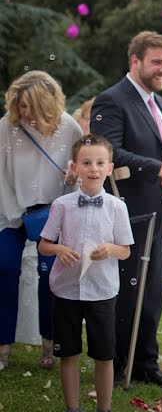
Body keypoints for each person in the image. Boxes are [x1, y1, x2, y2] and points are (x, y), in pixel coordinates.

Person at [90, 30, 162, 386]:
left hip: (158, 214)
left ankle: (145, 363)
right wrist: (155, 167)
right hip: (127, 214)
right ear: (135, 61)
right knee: (126, 294)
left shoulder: (159, 105)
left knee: (152, 293)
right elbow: (107, 151)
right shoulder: (112, 100)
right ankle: (113, 364)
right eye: (157, 62)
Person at [38, 134, 133, 412]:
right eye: (87, 162)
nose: (93, 168)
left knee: (104, 355)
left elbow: (126, 250)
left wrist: (110, 249)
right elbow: (44, 245)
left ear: (109, 167)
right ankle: (73, 408)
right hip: (65, 289)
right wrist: (59, 250)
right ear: (75, 167)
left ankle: (104, 409)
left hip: (102, 290)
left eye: (99, 162)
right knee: (68, 353)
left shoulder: (118, 207)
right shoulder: (62, 205)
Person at [0, 70, 82, 371]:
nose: (26, 113)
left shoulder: (69, 128)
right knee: (4, 269)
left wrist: (73, 178)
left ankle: (50, 344)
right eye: (21, 106)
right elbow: (0, 177)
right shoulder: (7, 128)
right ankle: (3, 345)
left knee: (51, 279)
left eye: (32, 107)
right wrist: (14, 215)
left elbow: (78, 174)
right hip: (11, 212)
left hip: (53, 213)